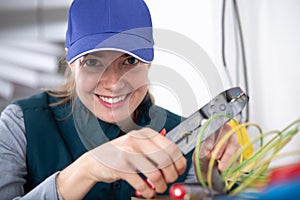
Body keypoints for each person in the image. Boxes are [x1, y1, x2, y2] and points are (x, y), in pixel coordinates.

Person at [0, 0, 240, 199]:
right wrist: (87, 169)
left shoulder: (189, 138)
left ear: (149, 62)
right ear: (71, 63)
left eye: (130, 61)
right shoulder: (20, 124)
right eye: (93, 62)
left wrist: (213, 174)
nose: (114, 83)